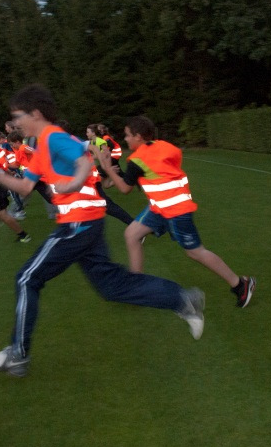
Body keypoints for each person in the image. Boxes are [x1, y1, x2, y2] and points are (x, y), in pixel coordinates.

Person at [0, 84, 207, 377]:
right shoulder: (41, 144)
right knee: (111, 286)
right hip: (87, 222)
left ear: (34, 113)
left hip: (78, 223)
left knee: (26, 278)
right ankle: (183, 300)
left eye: (18, 116)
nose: (14, 123)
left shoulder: (53, 137)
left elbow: (84, 160)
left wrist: (73, 183)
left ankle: (17, 356)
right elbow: (23, 186)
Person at [97, 116, 256, 309]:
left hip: (176, 210)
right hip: (159, 207)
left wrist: (107, 167)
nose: (126, 139)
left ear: (138, 136)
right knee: (132, 234)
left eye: (128, 135)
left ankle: (240, 284)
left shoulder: (137, 160)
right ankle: (136, 287)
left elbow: (124, 188)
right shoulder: (163, 146)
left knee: (195, 252)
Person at [84, 124, 134, 225]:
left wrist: (107, 168)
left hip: (107, 164)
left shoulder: (100, 141)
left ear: (93, 133)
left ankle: (134, 224)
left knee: (107, 204)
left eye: (88, 132)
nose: (86, 134)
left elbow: (105, 154)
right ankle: (121, 179)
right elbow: (97, 154)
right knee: (105, 186)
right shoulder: (91, 142)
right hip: (104, 167)